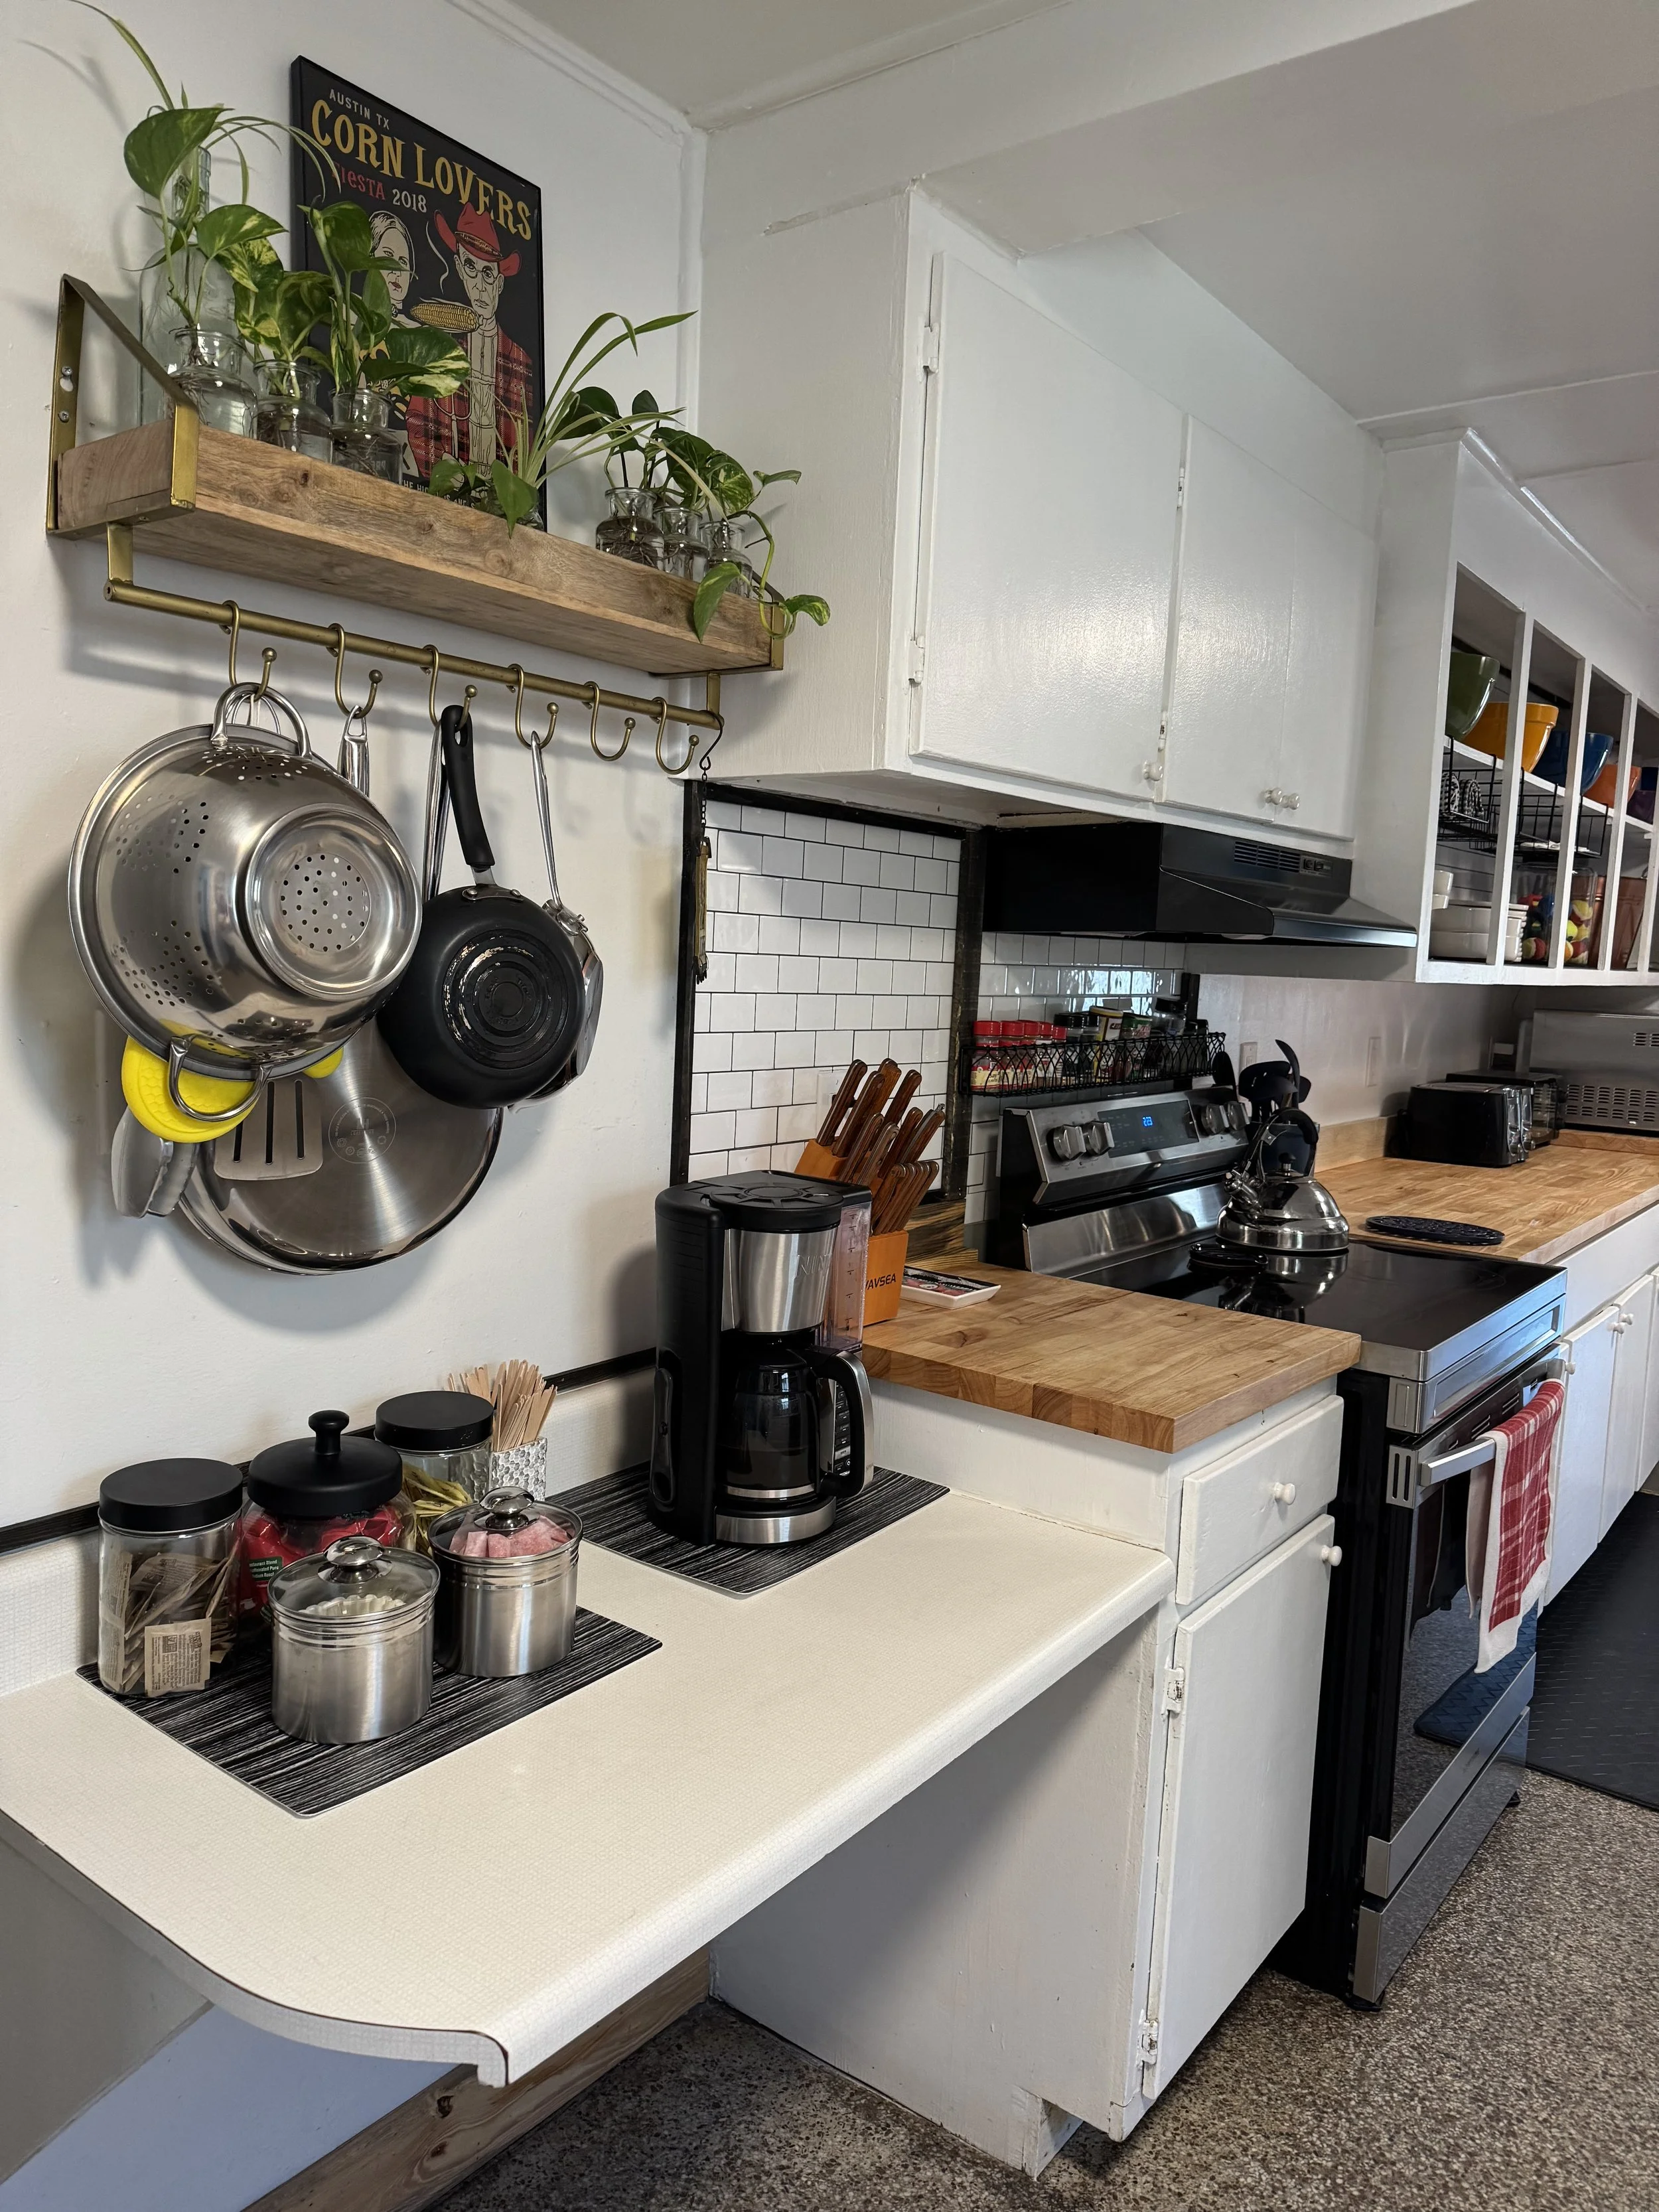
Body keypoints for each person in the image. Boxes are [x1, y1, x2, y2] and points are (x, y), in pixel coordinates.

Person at [403, 203, 535, 484]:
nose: (478, 285)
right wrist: (439, 465)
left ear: (499, 283)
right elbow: (417, 418)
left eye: (487, 274)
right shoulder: (441, 346)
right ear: (459, 270)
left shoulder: (520, 362)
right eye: (470, 268)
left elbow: (527, 443)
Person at [368, 210, 419, 327]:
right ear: (371, 258)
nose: (397, 272)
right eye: (388, 255)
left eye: (403, 261)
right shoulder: (349, 313)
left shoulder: (419, 332)